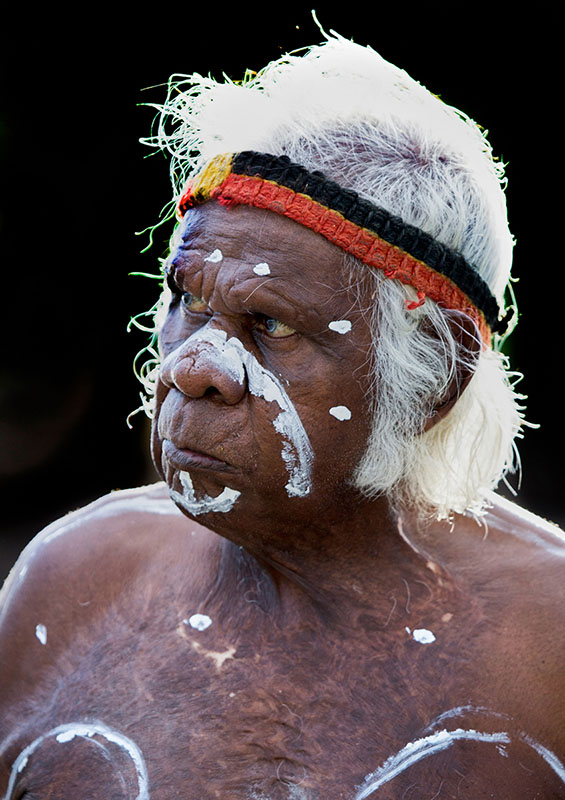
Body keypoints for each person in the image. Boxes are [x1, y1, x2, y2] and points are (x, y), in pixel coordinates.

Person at [0, 34, 563, 800]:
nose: (192, 367)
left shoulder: (547, 649)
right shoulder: (71, 581)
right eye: (188, 301)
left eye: (270, 323)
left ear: (434, 372)